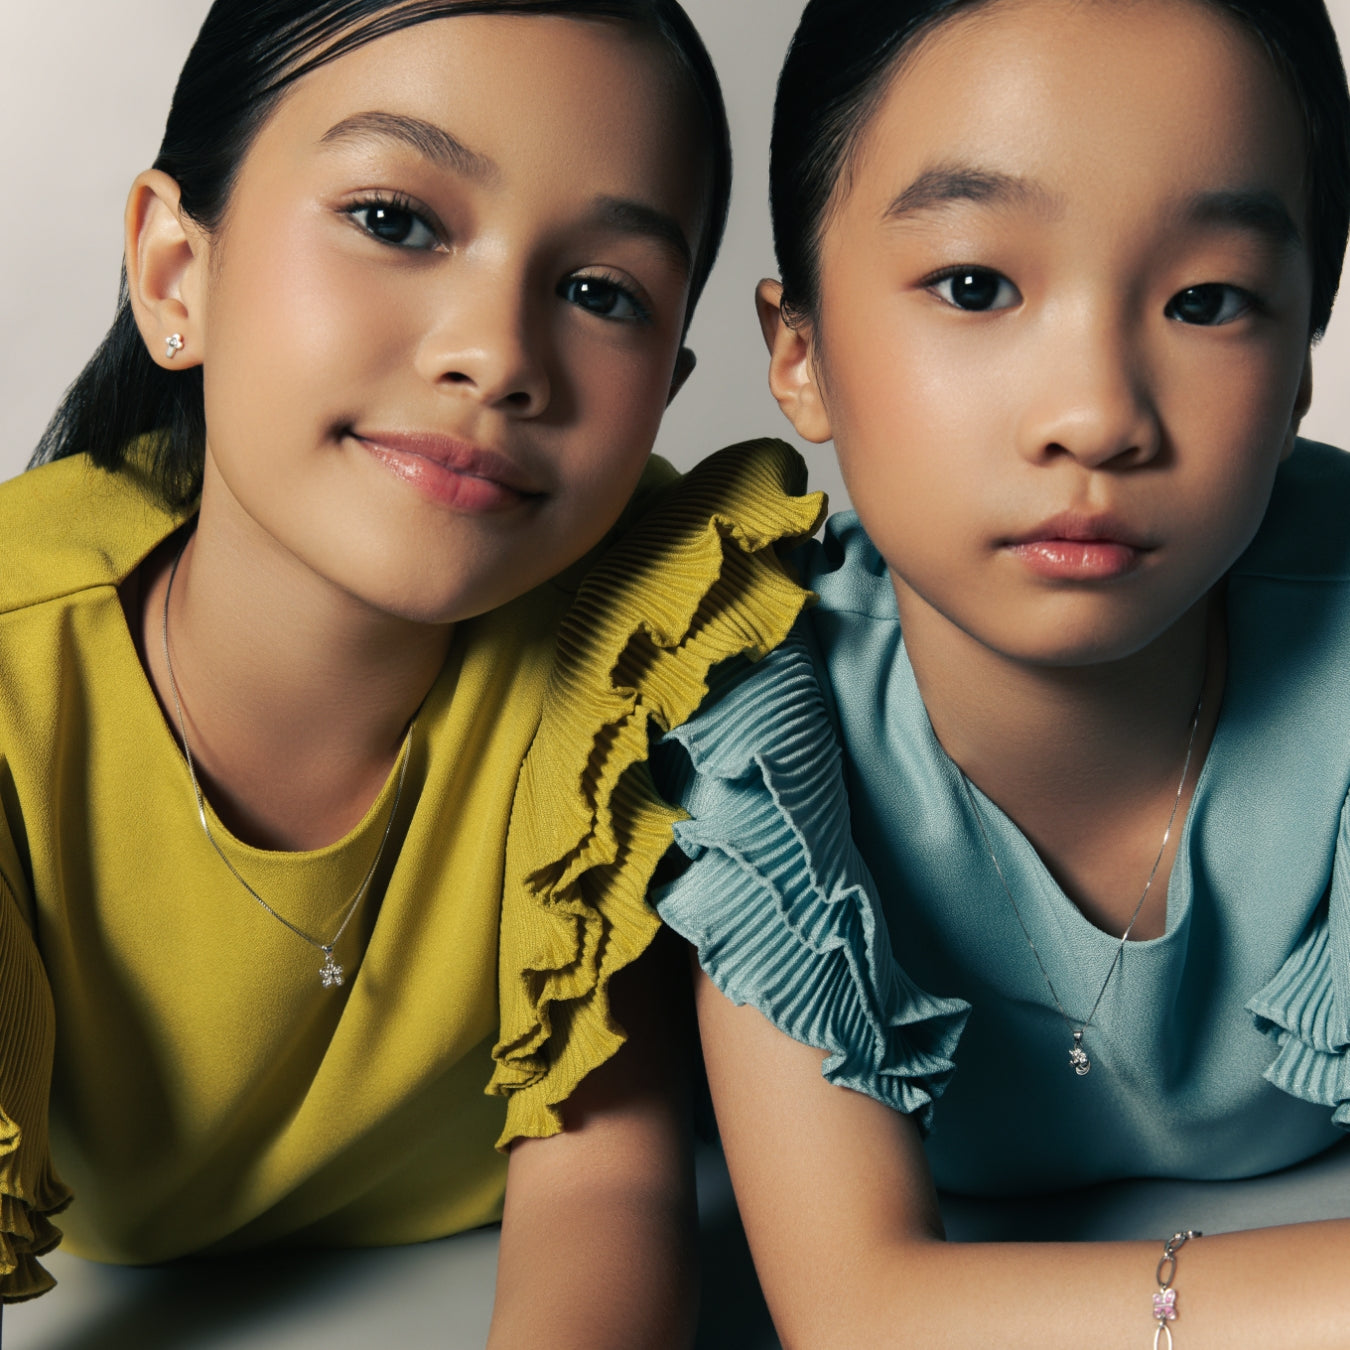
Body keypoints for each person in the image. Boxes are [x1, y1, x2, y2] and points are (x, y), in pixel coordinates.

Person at [0, 2, 824, 1344]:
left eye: (599, 291)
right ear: (172, 273)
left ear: (667, 389)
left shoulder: (625, 653)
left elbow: (606, 1179)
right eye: (395, 219)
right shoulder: (20, 683)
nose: (496, 355)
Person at [652, 0, 1350, 1343]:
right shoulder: (753, 723)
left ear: (1302, 359)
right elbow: (858, 1308)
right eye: (974, 286)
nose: (1094, 411)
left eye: (1206, 299)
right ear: (796, 352)